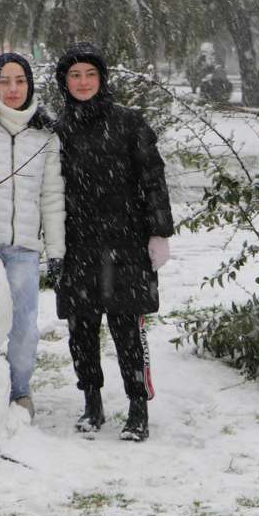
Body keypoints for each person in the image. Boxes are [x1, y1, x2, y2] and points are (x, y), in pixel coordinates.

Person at [53, 43, 174, 441]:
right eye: (75, 75)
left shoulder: (129, 123)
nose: (83, 82)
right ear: (64, 82)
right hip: (79, 242)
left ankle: (138, 407)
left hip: (126, 241)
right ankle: (92, 401)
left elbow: (153, 178)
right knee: (81, 327)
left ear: (102, 79)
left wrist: (159, 232)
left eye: (89, 74)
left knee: (126, 325)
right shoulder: (58, 130)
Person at [0, 52, 65, 420]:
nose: (12, 89)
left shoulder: (45, 132)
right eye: (4, 81)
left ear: (30, 84)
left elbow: (52, 197)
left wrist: (55, 251)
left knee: (24, 328)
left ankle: (19, 391)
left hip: (24, 248)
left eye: (20, 80)